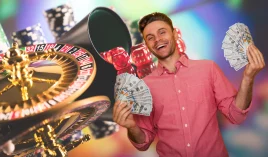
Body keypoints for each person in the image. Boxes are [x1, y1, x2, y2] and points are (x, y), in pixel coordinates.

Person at [113, 12, 265, 157]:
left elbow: (236, 115)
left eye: (162, 32)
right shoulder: (144, 86)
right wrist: (131, 126)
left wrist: (248, 78)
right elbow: (143, 143)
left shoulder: (208, 68)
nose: (157, 39)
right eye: (150, 37)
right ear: (147, 45)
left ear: (175, 33)